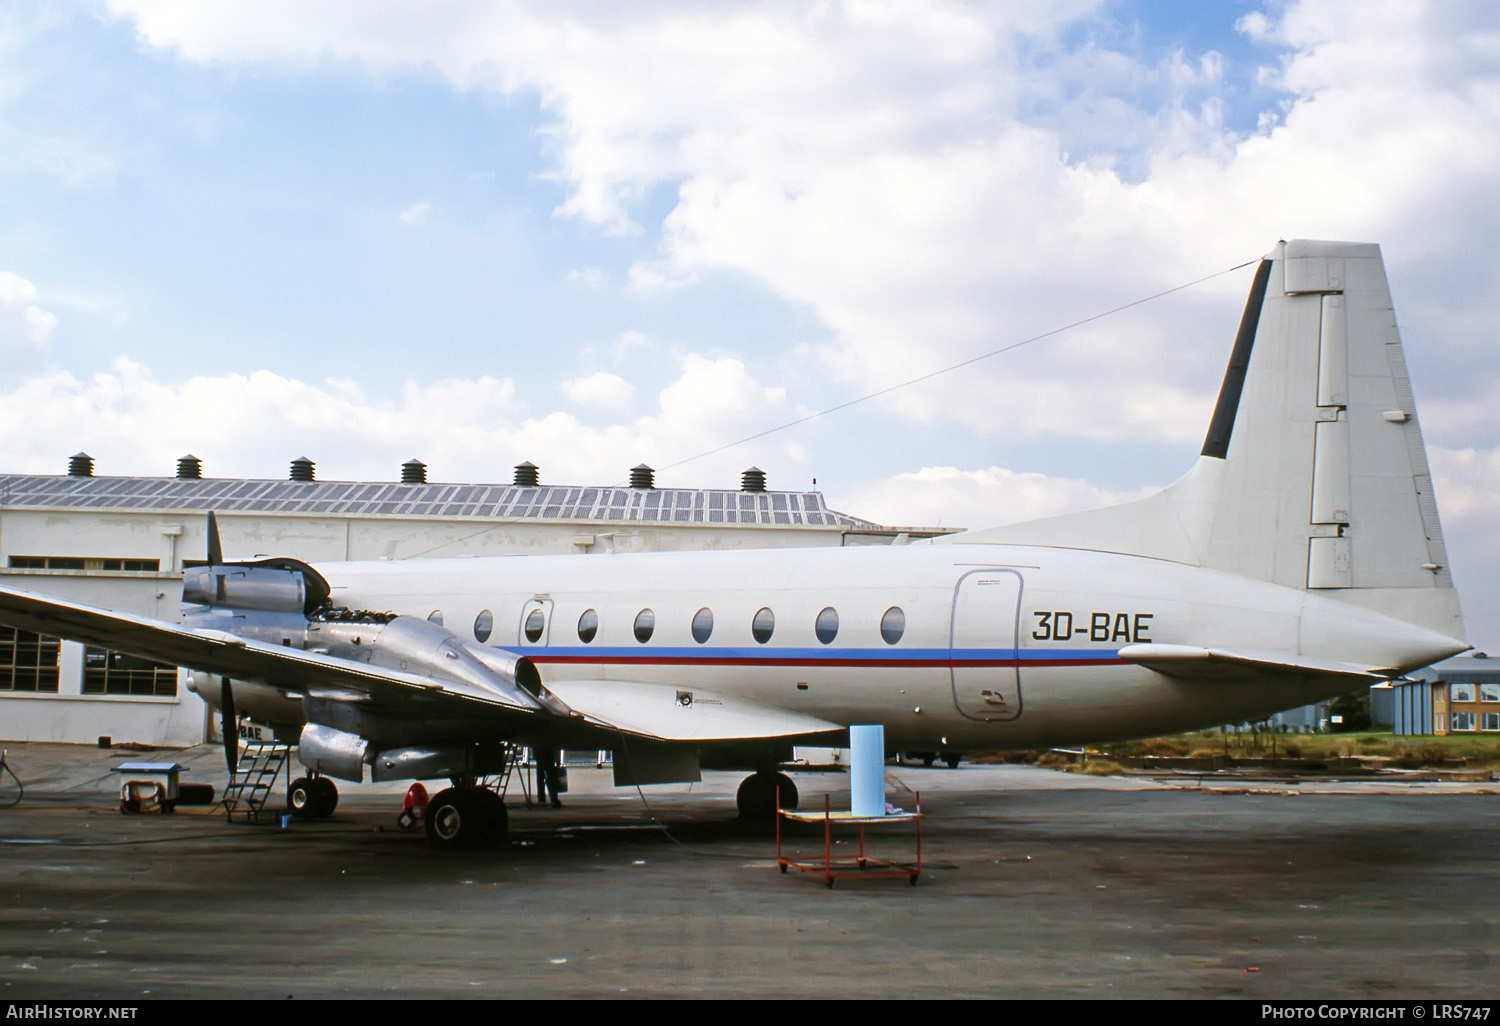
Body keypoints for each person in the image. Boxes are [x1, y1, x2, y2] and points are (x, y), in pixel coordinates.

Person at [535, 743, 562, 809]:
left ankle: (541, 798)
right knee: (549, 773)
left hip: (537, 747)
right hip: (546, 747)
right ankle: (553, 799)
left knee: (540, 773)